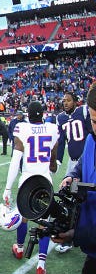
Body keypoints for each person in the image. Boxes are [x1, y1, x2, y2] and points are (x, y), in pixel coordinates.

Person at [2, 101, 59, 274]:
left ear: (28, 115)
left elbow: (15, 161)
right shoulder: (52, 129)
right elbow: (54, 166)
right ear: (42, 114)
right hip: (44, 181)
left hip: (28, 181)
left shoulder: (22, 128)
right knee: (44, 223)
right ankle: (41, 265)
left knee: (24, 218)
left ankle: (19, 248)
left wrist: (8, 188)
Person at [54, 87, 96, 274]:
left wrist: (75, 235)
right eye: (95, 122)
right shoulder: (91, 140)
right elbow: (81, 163)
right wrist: (72, 175)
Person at [55, 91, 91, 254]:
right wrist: (58, 160)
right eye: (64, 100)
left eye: (68, 100)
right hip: (73, 163)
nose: (65, 103)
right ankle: (71, 236)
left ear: (76, 102)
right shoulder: (60, 118)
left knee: (86, 195)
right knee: (72, 197)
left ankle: (86, 232)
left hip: (87, 164)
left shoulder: (83, 111)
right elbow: (61, 142)